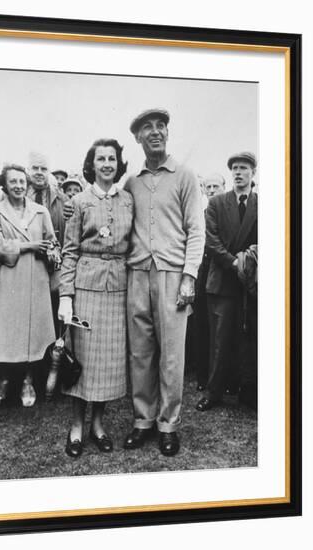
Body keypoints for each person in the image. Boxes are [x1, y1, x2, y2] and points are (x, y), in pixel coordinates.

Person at [123, 109, 205, 456]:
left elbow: (196, 230)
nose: (155, 132)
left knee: (172, 355)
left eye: (160, 127)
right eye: (147, 128)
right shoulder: (131, 181)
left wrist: (189, 276)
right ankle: (143, 421)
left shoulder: (185, 175)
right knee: (140, 353)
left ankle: (168, 424)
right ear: (138, 138)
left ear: (168, 134)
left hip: (173, 275)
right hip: (137, 274)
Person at [58, 139, 133, 458]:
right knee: (83, 363)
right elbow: (69, 251)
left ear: (118, 164)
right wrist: (65, 296)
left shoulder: (128, 200)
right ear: (92, 163)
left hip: (117, 290)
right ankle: (76, 425)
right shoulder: (79, 201)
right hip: (86, 290)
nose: (106, 164)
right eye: (100, 158)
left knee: (108, 364)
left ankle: (98, 425)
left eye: (112, 159)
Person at [0, 164, 59, 407]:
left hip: (37, 278)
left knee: (33, 333)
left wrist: (52, 252)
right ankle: (4, 380)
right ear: (5, 185)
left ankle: (28, 381)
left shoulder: (40, 212)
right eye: (13, 182)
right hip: (10, 279)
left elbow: (52, 243)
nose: (19, 186)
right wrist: (30, 245)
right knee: (7, 331)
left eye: (22, 181)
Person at [196, 152, 258, 411]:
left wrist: (252, 258)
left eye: (243, 168)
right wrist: (235, 263)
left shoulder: (262, 204)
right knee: (219, 340)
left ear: (252, 172)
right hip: (222, 279)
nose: (238, 172)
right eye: (234, 168)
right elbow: (212, 241)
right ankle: (214, 391)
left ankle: (249, 390)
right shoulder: (217, 203)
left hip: (252, 281)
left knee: (250, 337)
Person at [27, 152, 68, 330]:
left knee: (52, 316)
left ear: (48, 172)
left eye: (43, 169)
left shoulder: (63, 200)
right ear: (28, 170)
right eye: (35, 168)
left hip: (54, 268)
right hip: (28, 264)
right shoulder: (18, 197)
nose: (39, 172)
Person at [193, 173, 226, 391]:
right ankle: (202, 375)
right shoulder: (200, 214)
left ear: (224, 187)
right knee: (201, 325)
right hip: (202, 274)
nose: (212, 190)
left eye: (216, 186)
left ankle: (223, 377)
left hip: (223, 274)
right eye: (208, 186)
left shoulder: (228, 213)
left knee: (222, 329)